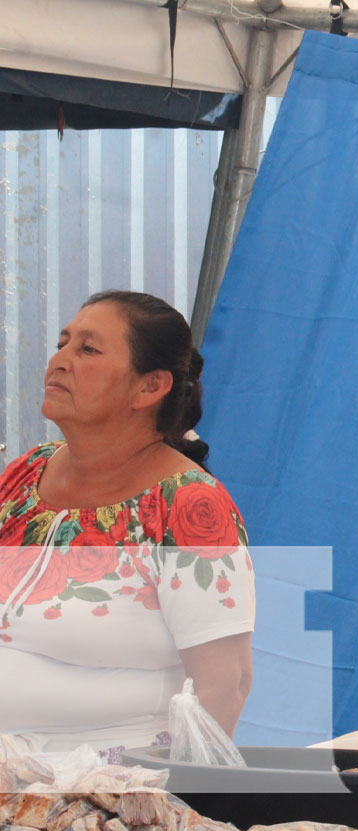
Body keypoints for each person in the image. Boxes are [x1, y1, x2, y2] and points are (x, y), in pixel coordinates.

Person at [0, 291, 255, 757]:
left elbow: (227, 683)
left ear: (149, 387)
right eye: (62, 342)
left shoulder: (188, 505)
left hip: (109, 796)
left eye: (88, 349)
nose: (58, 360)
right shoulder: (24, 476)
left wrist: (180, 809)